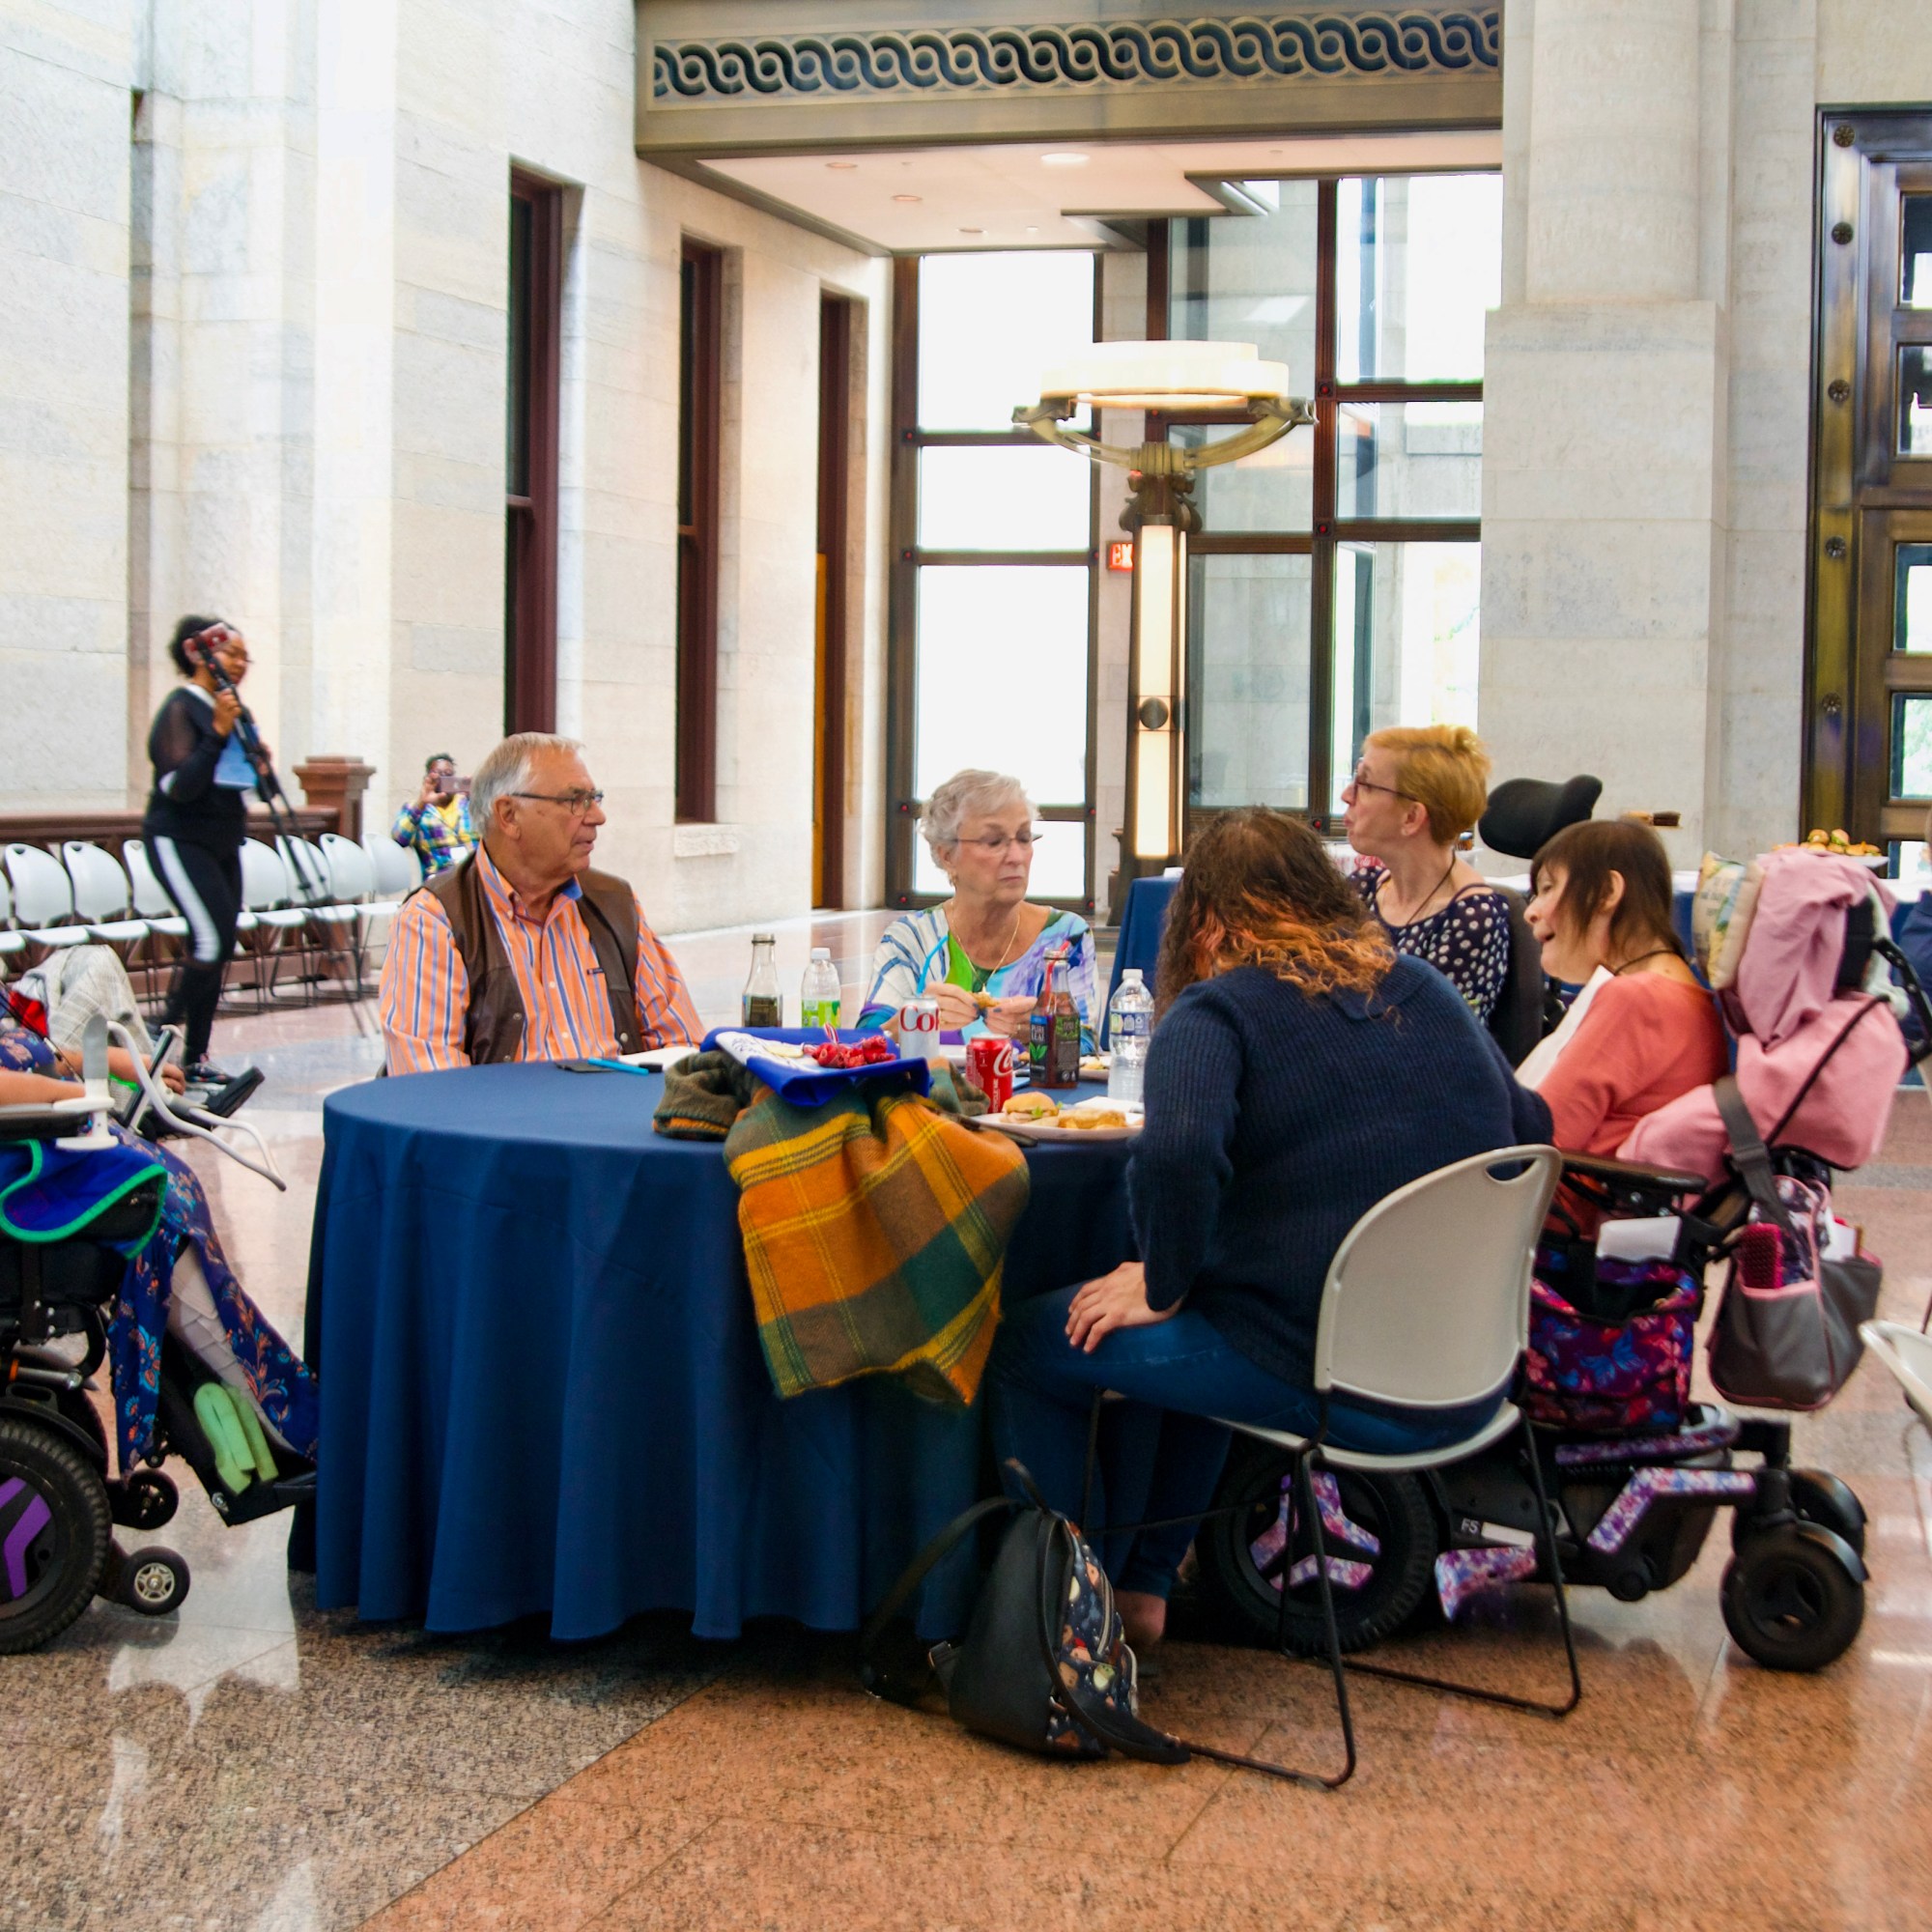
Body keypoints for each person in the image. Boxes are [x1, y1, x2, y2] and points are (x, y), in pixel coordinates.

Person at [985, 809, 1550, 1648]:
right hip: (1475, 1376)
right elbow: (1530, 1126)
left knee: (1032, 1347)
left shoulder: (1217, 1011)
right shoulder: (1422, 987)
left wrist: (1164, 1280)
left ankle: (1069, 1616)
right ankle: (1145, 1588)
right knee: (1219, 1306)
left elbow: (1177, 1157)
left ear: (1207, 925)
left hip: (1333, 1378)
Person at [0, 1011, 317, 1472]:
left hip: (38, 1143)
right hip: (22, 1171)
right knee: (157, 1208)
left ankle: (272, 1401)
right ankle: (287, 1421)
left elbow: (17, 1052)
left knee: (164, 1186)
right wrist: (77, 1096)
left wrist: (114, 1062)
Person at [379, 732, 701, 1072]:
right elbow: (431, 1087)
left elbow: (685, 1049)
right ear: (509, 815)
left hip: (619, 1106)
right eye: (576, 800)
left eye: (594, 798)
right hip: (500, 1109)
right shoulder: (433, 920)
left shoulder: (616, 904)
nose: (597, 816)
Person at [1520, 818, 1727, 1152]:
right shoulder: (1685, 994)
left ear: (1606, 892)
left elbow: (1536, 1142)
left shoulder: (1636, 998)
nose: (1531, 912)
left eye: (1547, 888)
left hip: (1572, 1185)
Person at [858, 769, 1097, 1043]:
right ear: (947, 856)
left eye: (1023, 838)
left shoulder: (1065, 939)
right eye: (993, 841)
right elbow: (867, 1043)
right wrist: (912, 1022)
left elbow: (1087, 1047)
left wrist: (1041, 1032)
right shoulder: (912, 940)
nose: (1016, 856)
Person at [142, 615, 262, 1083]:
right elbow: (179, 786)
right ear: (201, 654)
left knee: (220, 941)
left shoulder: (232, 711)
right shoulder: (182, 707)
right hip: (178, 839)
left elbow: (240, 784)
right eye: (232, 653)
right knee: (210, 939)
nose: (240, 664)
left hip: (222, 841)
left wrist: (257, 762)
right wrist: (216, 733)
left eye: (245, 657)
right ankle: (159, 1032)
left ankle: (194, 1058)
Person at [1342, 724, 1513, 1024]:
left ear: (1412, 817)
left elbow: (1427, 1037)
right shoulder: (1362, 887)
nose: (1346, 795)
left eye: (1365, 784)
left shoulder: (1471, 918)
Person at [391, 753, 477, 876]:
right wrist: (421, 804)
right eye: (437, 775)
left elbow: (497, 833)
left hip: (474, 875)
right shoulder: (416, 808)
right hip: (439, 879)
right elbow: (399, 839)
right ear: (427, 779)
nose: (443, 779)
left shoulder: (469, 804)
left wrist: (480, 797)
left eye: (448, 774)